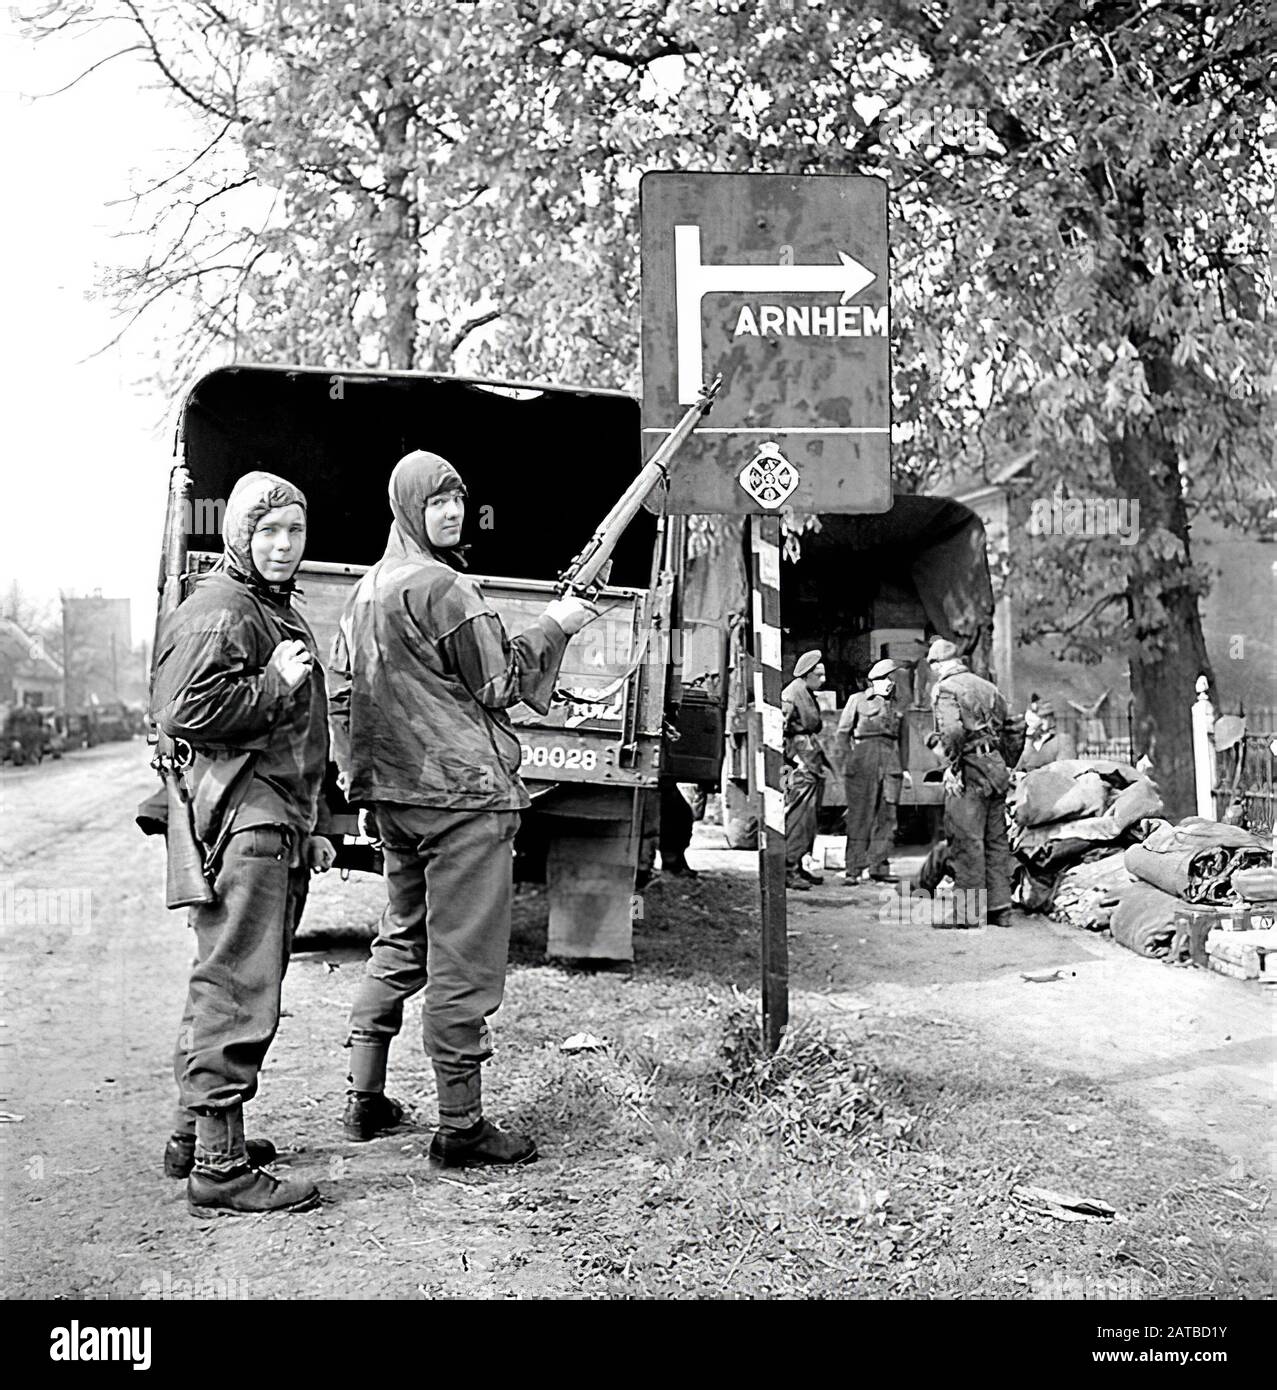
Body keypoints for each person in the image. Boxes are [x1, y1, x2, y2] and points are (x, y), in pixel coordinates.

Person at [330, 450, 596, 1168]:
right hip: (460, 801)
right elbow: (501, 682)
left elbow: (341, 698)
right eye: (436, 501)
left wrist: (362, 783)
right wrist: (559, 623)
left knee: (401, 941)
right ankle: (460, 1126)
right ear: (409, 508)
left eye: (457, 499)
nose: (450, 511)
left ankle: (365, 1097)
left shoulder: (364, 592)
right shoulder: (445, 589)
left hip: (395, 800)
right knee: (463, 963)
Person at [152, 471, 335, 1217]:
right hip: (246, 819)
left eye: (293, 531)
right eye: (268, 533)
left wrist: (315, 824)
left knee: (224, 973)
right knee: (239, 984)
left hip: (272, 815)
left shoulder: (261, 604)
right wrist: (271, 683)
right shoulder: (226, 609)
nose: (284, 545)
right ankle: (221, 1168)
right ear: (238, 536)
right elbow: (182, 709)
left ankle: (192, 1137)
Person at [926, 637, 1024, 928]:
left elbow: (953, 732)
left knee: (966, 841)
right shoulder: (988, 687)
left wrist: (953, 767)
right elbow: (1015, 728)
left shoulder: (946, 689)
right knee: (996, 841)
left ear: (938, 664)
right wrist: (1003, 761)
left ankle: (967, 915)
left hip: (969, 770)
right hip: (994, 769)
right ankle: (1000, 910)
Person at [837, 658, 904, 885]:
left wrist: (904, 768)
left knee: (888, 817)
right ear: (873, 681)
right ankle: (853, 869)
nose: (889, 683)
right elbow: (842, 734)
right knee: (859, 817)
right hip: (863, 761)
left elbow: (903, 740)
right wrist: (849, 762)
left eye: (891, 679)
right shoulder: (857, 701)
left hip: (890, 762)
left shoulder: (896, 705)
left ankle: (879, 867)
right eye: (885, 679)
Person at [781, 650, 832, 891]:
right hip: (799, 762)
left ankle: (798, 863)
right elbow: (780, 730)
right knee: (797, 817)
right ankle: (788, 868)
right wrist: (791, 761)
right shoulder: (792, 694)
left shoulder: (806, 692)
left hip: (809, 757)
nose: (823, 680)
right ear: (807, 674)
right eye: (818, 675)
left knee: (809, 818)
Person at [1016, 700, 1077, 771]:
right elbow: (1022, 764)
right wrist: (1029, 738)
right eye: (1040, 718)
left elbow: (1063, 770)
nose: (1040, 722)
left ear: (1053, 719)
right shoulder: (1035, 739)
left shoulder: (1064, 739)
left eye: (1044, 718)